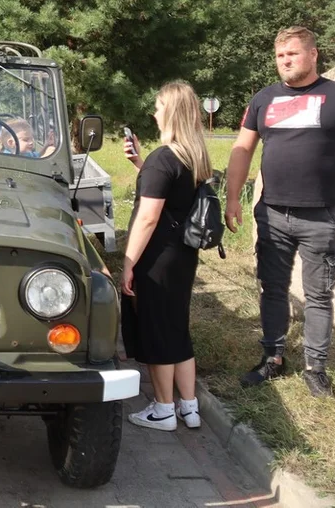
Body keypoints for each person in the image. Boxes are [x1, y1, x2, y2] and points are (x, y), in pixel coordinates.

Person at [224, 26, 335, 398]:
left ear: (313, 54)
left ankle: (316, 368)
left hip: (320, 215)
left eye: (292, 54)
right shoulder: (263, 99)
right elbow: (243, 149)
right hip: (272, 213)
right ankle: (272, 359)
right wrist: (231, 199)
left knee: (319, 294)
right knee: (272, 288)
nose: (285, 61)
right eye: (280, 56)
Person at [120, 80, 212, 432]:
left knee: (156, 330)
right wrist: (141, 164)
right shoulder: (193, 156)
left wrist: (128, 262)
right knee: (177, 329)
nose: (154, 112)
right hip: (183, 255)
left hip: (157, 257)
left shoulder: (164, 158)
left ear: (170, 112)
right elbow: (172, 195)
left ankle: (162, 409)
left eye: (158, 107)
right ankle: (189, 407)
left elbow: (149, 216)